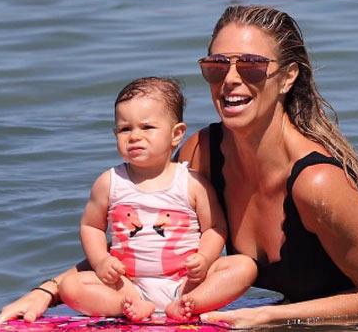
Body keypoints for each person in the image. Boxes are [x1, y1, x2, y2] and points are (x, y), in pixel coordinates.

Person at [0, 7, 358, 330]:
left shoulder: (316, 181)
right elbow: (148, 239)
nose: (231, 79)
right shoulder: (202, 152)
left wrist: (263, 317)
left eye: (251, 66)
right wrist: (48, 291)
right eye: (217, 66)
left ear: (287, 77)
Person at [59, 77, 257, 321]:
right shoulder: (109, 182)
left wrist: (205, 259)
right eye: (125, 129)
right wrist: (100, 261)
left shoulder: (191, 183)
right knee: (70, 286)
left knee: (244, 267)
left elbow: (215, 227)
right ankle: (127, 306)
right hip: (128, 285)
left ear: (176, 134)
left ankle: (191, 303)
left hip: (186, 283)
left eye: (147, 127)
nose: (134, 136)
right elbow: (91, 226)